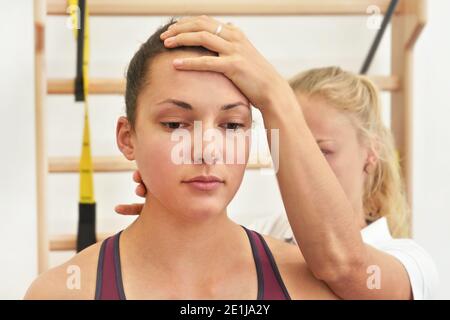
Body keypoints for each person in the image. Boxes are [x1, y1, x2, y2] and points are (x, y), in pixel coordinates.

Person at [115, 16, 438, 299]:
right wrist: (173, 217)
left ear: (370, 153)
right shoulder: (265, 233)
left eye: (319, 150)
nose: (303, 161)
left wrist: (273, 94)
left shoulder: (410, 264)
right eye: (290, 144)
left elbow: (341, 262)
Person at [24, 18, 338, 300]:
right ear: (127, 138)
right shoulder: (61, 293)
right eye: (175, 124)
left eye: (231, 125)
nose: (207, 149)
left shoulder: (309, 287)